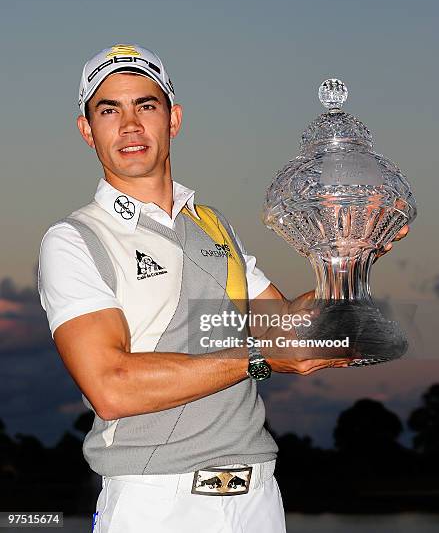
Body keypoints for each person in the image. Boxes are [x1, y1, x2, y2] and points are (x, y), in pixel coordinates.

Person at [37, 43, 409, 532]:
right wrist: (258, 358)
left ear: (174, 119)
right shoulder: (74, 239)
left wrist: (354, 250)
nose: (130, 125)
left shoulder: (213, 225)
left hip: (257, 495)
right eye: (109, 110)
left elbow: (286, 328)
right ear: (87, 130)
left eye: (146, 105)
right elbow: (111, 386)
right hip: (156, 502)